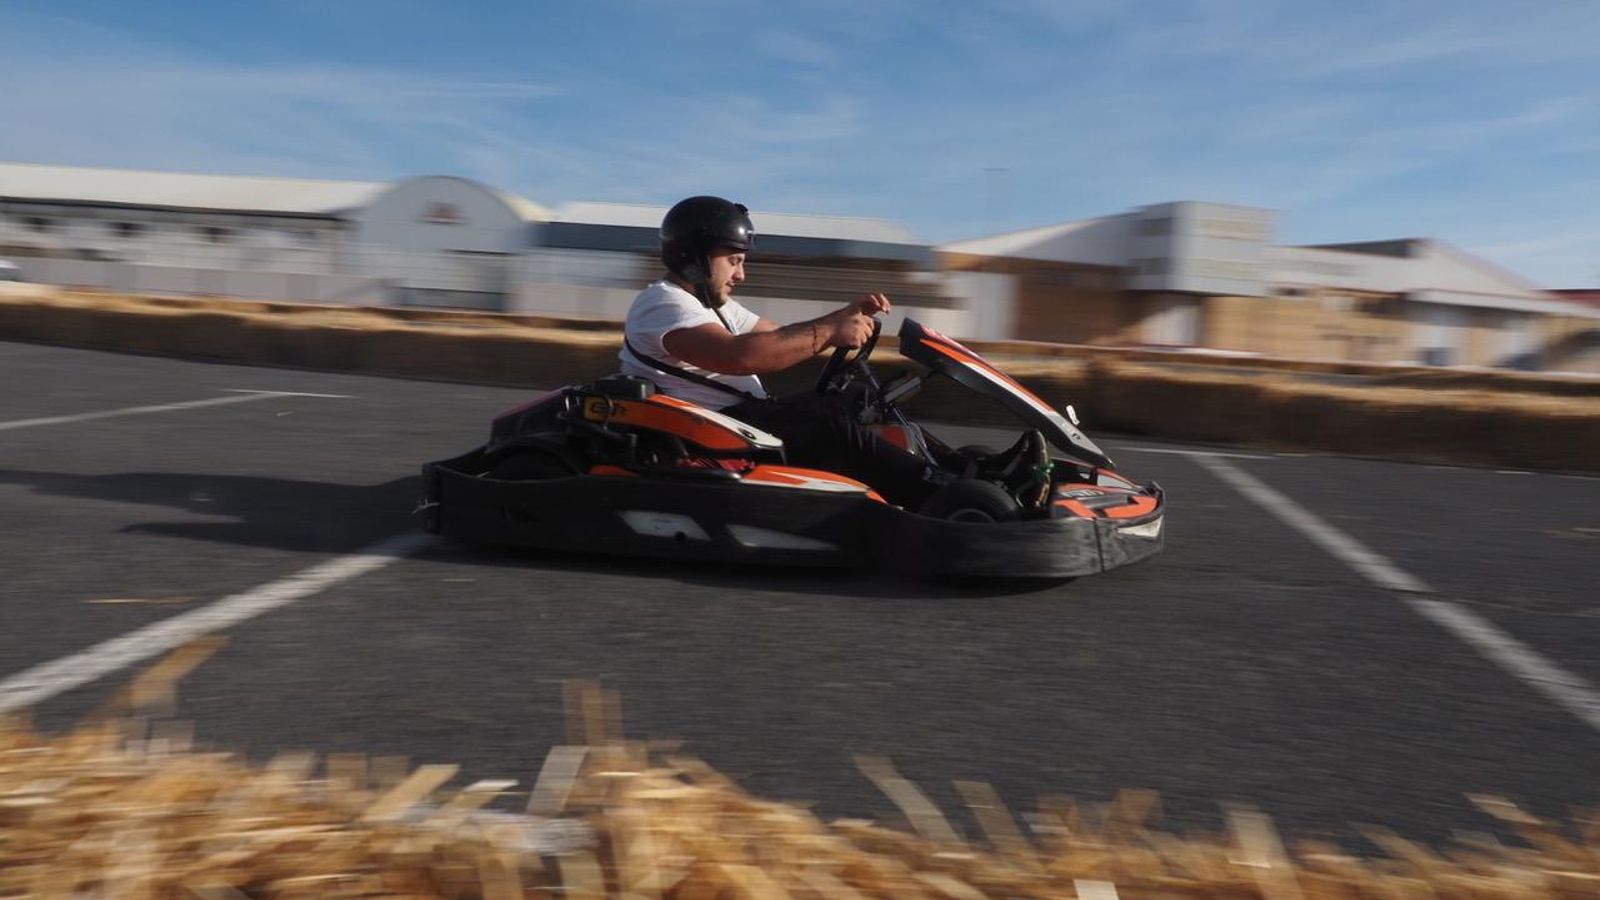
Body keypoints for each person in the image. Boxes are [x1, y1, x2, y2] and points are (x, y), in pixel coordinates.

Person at [618, 195, 942, 507]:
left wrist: (842, 317)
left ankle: (950, 468)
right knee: (826, 425)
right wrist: (830, 330)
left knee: (858, 398)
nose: (740, 275)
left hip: (739, 423)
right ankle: (937, 496)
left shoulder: (711, 305)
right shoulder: (662, 302)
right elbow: (740, 356)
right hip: (712, 437)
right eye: (733, 261)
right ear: (693, 256)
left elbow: (776, 336)